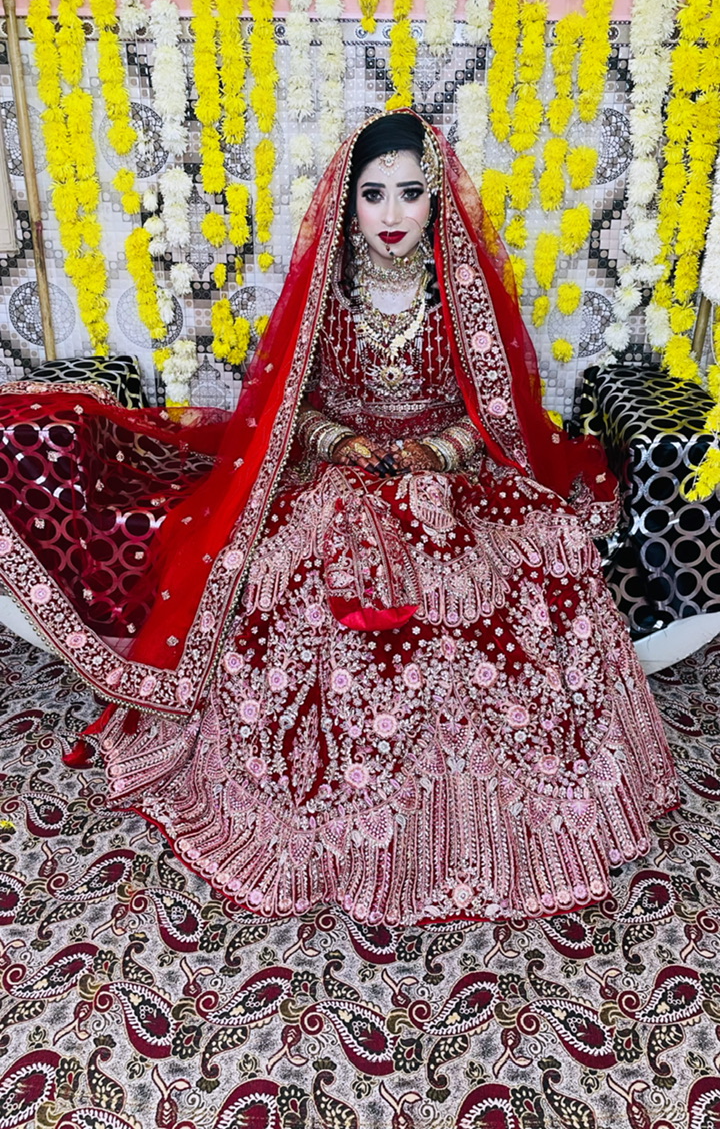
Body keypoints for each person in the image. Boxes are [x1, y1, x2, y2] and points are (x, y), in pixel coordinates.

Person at [0, 111, 677, 924]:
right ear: (348, 203)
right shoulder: (327, 295)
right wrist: (343, 441)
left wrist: (436, 454)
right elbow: (297, 407)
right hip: (340, 477)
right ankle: (317, 820)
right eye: (373, 194)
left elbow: (489, 412)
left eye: (410, 193)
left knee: (541, 550)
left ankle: (512, 808)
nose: (392, 214)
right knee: (287, 574)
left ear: (436, 201)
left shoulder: (459, 296)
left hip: (447, 478)